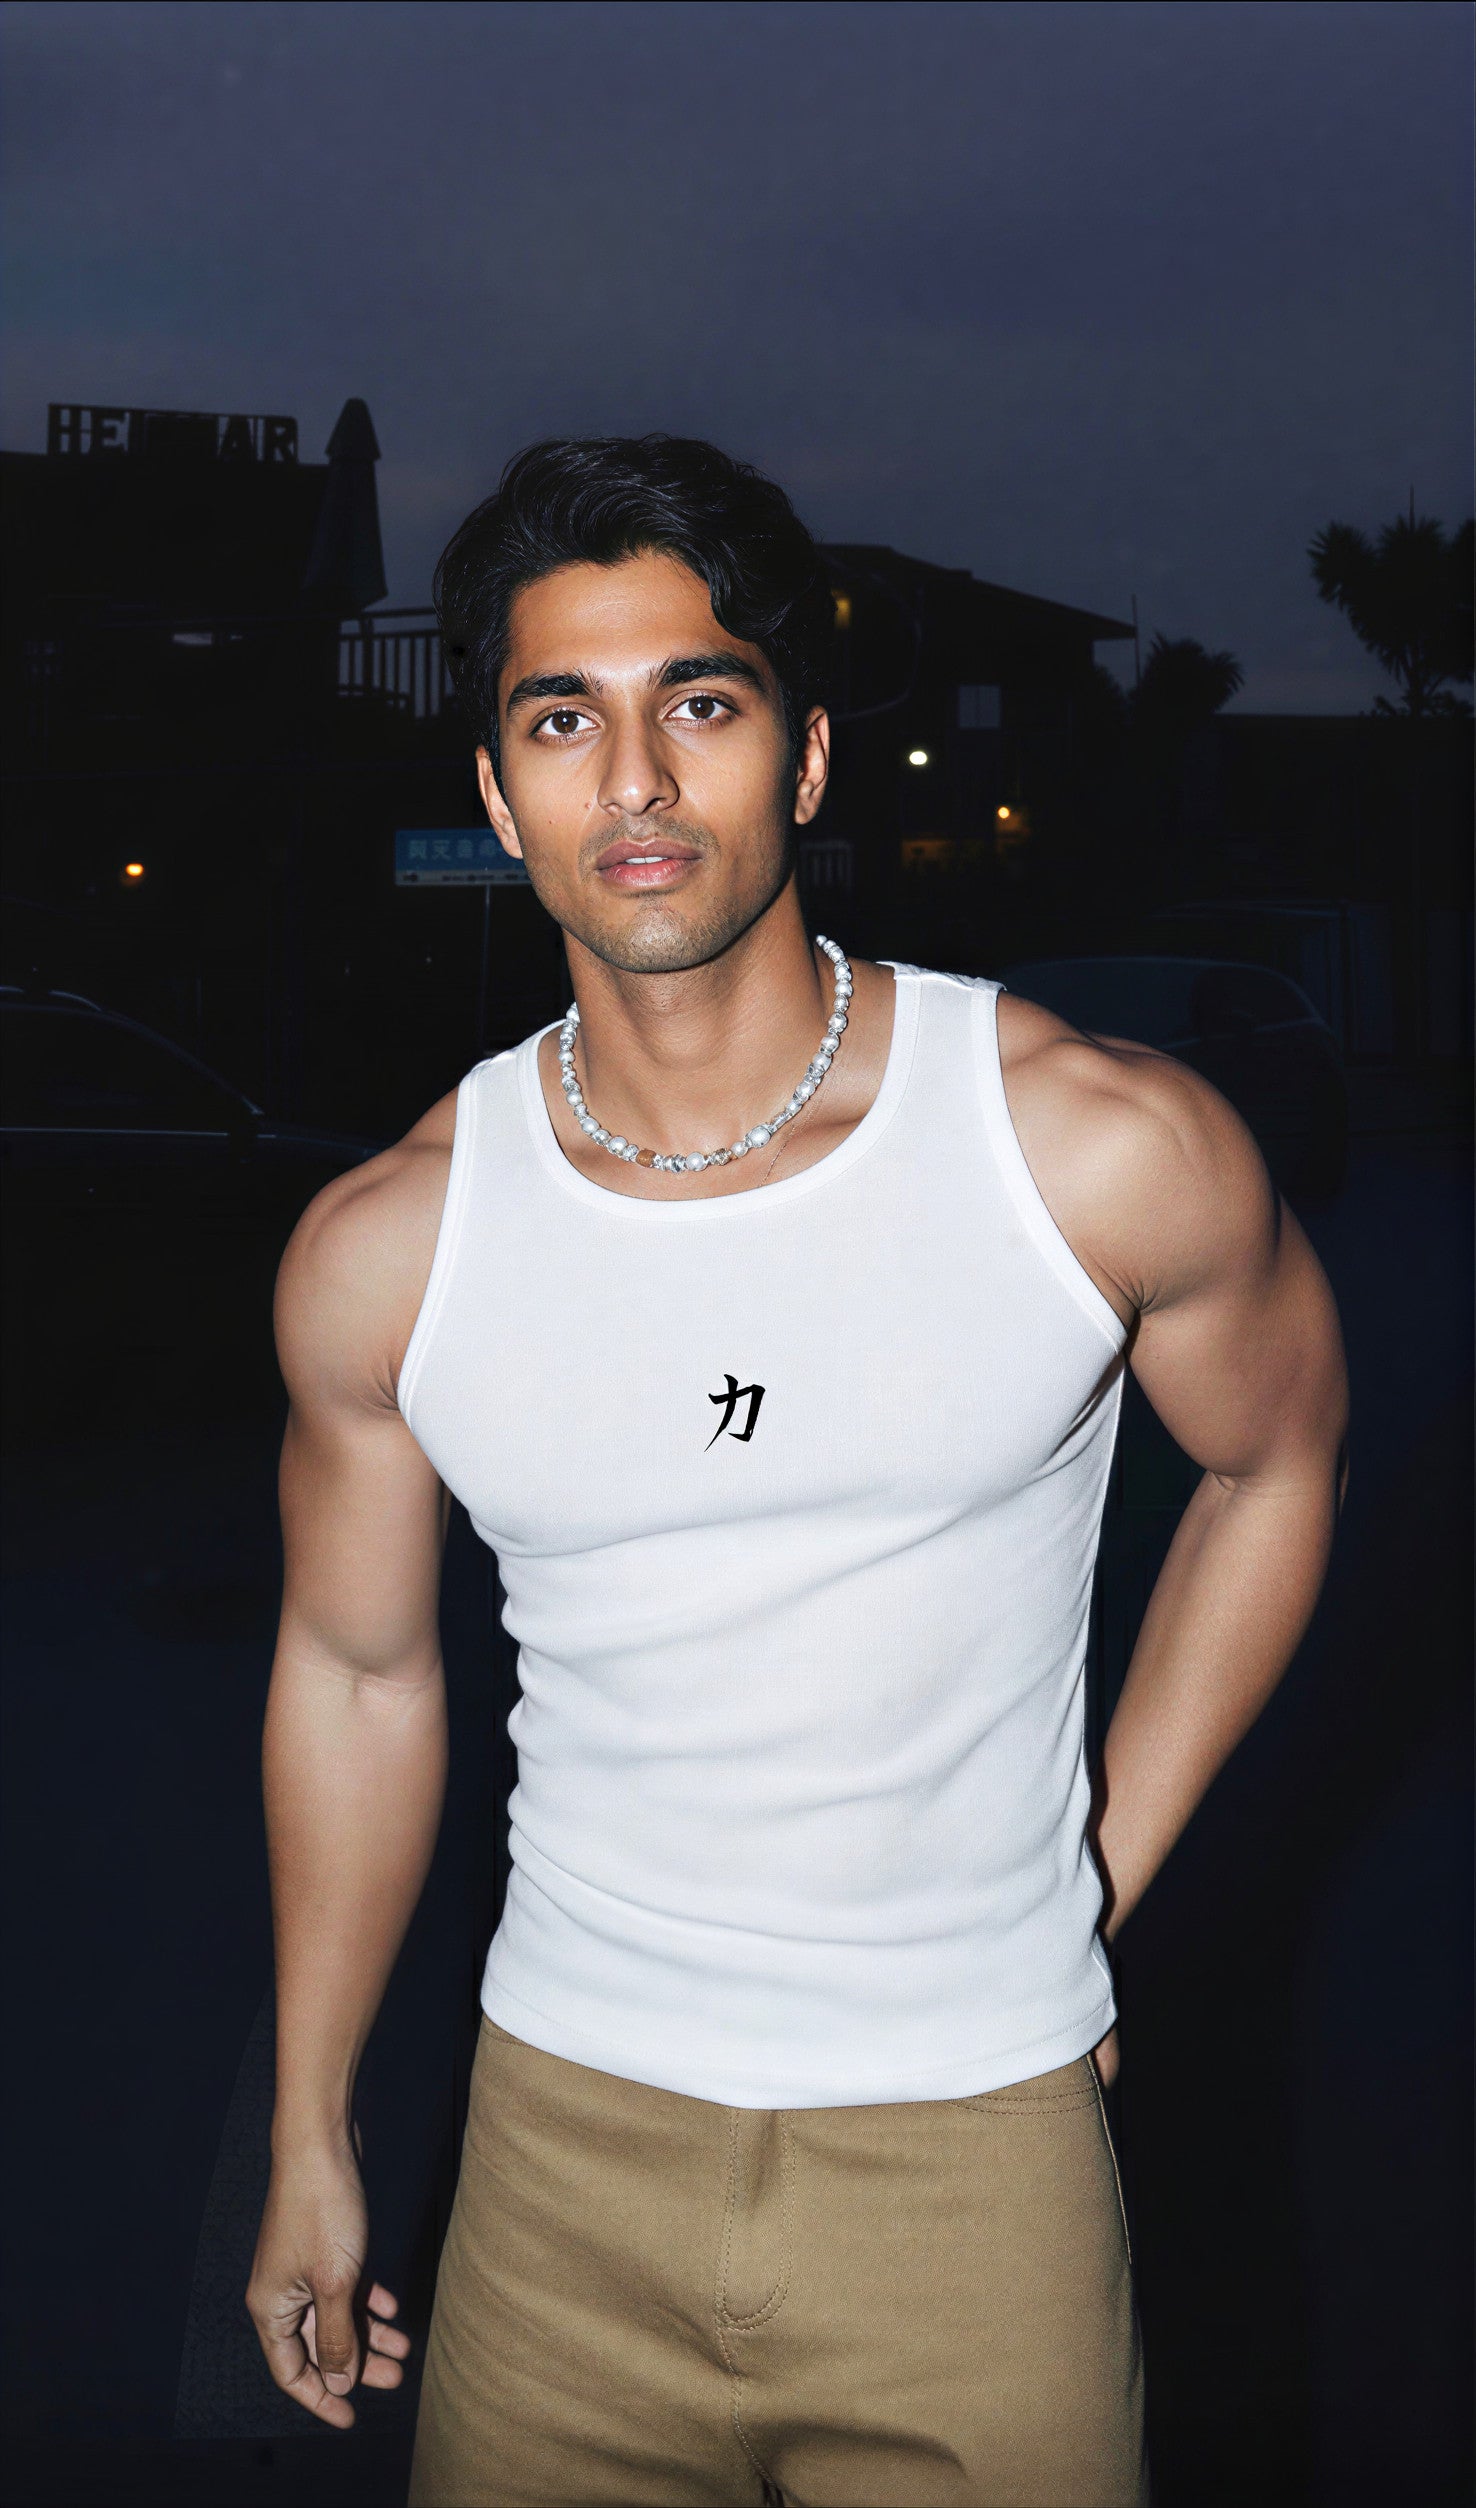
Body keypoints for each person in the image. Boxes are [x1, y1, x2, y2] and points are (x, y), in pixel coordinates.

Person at [246, 435, 1347, 2507]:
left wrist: (1097, 1873)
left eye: (703, 703)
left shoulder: (1090, 1147)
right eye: (560, 720)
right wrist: (314, 2123)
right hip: (555, 2174)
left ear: (809, 758)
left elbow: (1279, 1461)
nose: (633, 781)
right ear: (497, 790)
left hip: (975, 2167)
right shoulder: (395, 1245)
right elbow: (357, 1675)